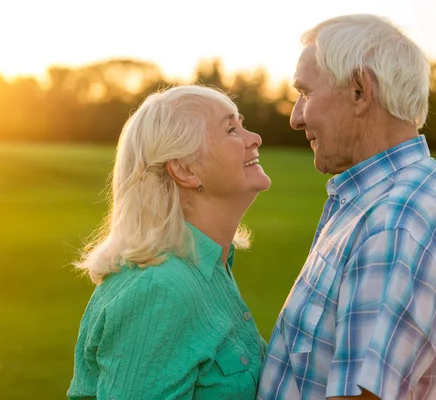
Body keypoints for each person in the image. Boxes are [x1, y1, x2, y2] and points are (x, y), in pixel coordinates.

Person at [258, 14, 436, 400]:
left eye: (305, 93)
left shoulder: (393, 221)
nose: (294, 117)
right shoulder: (374, 202)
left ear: (359, 91)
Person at [67, 85, 271, 399]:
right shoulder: (160, 290)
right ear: (185, 170)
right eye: (232, 129)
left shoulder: (211, 268)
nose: (254, 138)